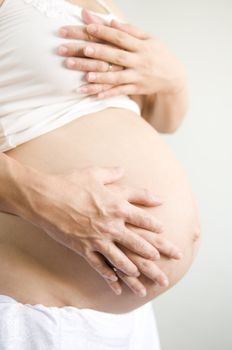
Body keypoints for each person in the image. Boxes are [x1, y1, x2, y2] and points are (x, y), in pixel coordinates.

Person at [0, 0, 201, 348]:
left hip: (123, 322)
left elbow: (164, 120)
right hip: (28, 308)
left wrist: (174, 80)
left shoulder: (101, 5)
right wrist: (41, 198)